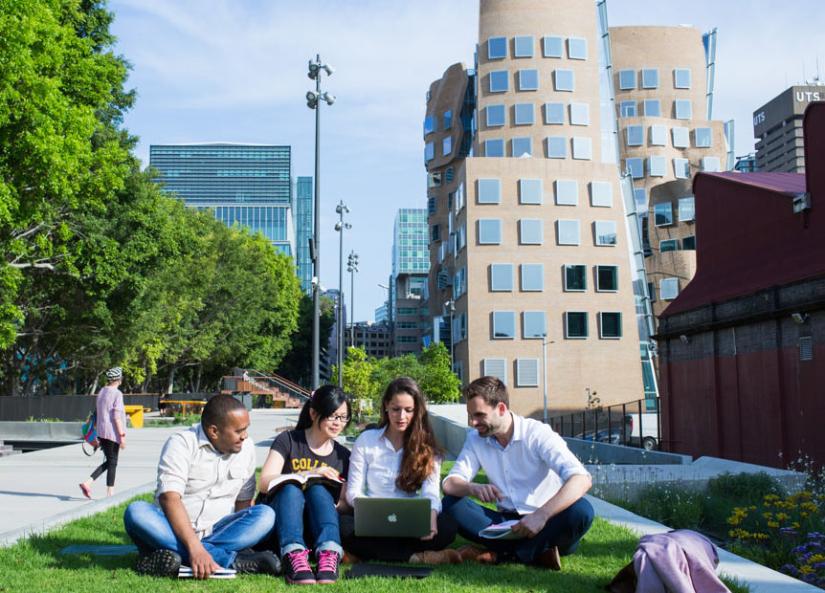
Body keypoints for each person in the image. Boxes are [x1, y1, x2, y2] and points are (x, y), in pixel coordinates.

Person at [442, 376, 595, 571]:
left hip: (547, 521)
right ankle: (537, 553)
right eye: (470, 415)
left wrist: (541, 515)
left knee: (581, 511)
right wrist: (472, 487)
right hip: (504, 524)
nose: (473, 422)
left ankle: (503, 555)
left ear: (502, 409)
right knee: (450, 503)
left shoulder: (538, 433)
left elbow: (581, 479)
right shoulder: (475, 439)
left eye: (479, 415)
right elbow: (449, 483)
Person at [123, 394, 279, 579]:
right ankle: (232, 560)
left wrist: (241, 540)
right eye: (239, 431)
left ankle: (169, 558)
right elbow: (169, 498)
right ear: (214, 431)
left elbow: (243, 503)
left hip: (219, 531)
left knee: (265, 515)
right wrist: (195, 548)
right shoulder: (182, 443)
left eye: (246, 429)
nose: (244, 436)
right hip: (172, 529)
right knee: (137, 512)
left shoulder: (247, 448)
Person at [340, 377, 484, 565]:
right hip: (373, 520)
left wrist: (431, 517)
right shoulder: (366, 441)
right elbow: (353, 490)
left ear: (417, 411)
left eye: (408, 410)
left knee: (447, 526)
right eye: (395, 409)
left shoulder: (427, 446)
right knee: (342, 525)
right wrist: (368, 509)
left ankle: (366, 553)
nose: (401, 417)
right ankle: (417, 557)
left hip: (411, 522)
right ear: (386, 407)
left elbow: (431, 492)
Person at [259, 385, 351, 585]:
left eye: (343, 417)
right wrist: (308, 473)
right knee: (291, 488)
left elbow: (345, 503)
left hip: (319, 524)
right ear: (313, 413)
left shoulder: (344, 456)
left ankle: (329, 553)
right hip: (284, 522)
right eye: (332, 416)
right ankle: (294, 555)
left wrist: (329, 505)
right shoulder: (289, 440)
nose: (338, 423)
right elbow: (264, 483)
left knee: (319, 490)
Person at [79, 367, 126, 499]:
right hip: (112, 433)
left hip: (101, 432)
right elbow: (117, 417)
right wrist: (122, 436)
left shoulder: (102, 392)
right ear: (119, 379)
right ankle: (110, 494)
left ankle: (87, 483)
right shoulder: (117, 394)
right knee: (112, 462)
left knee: (110, 461)